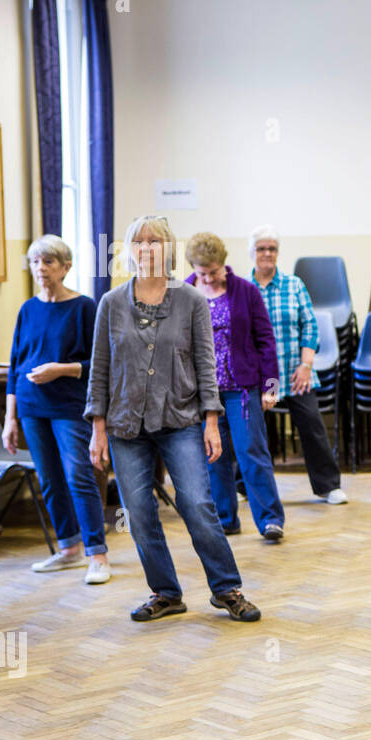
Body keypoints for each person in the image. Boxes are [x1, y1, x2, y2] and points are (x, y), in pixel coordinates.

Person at [85, 215, 260, 623]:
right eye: (139, 242)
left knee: (198, 504)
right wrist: (98, 429)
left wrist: (212, 421)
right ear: (129, 250)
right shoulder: (111, 304)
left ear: (168, 248)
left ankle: (226, 589)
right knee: (140, 513)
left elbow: (205, 363)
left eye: (155, 241)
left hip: (180, 420)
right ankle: (165, 592)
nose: (147, 249)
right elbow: (99, 368)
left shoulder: (191, 301)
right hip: (125, 424)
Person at [2, 235, 110, 584]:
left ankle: (98, 554)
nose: (41, 268)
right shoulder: (27, 309)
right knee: (49, 480)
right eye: (35, 262)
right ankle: (69, 549)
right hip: (31, 407)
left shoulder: (85, 307)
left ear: (66, 267)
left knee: (79, 475)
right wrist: (10, 419)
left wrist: (60, 369)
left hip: (69, 405)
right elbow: (15, 364)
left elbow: (100, 362)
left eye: (49, 262)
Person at [184, 232, 285, 541]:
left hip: (242, 388)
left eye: (213, 272)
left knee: (251, 452)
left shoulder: (245, 291)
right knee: (214, 455)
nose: (209, 278)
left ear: (223, 265)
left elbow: (266, 340)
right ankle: (225, 518)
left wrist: (271, 385)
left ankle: (270, 519)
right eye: (202, 273)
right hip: (203, 391)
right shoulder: (185, 292)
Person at [247, 225, 347, 505]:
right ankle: (243, 486)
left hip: (295, 370)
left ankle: (328, 486)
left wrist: (306, 365)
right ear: (252, 253)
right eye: (261, 248)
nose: (267, 253)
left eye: (272, 248)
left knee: (312, 425)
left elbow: (310, 327)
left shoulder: (294, 285)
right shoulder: (243, 289)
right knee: (248, 429)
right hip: (260, 376)